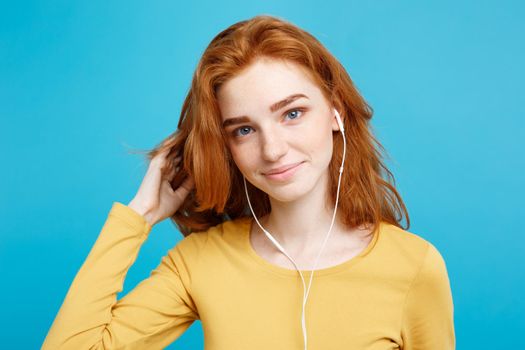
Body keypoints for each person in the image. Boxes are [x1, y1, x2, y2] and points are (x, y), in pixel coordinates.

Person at [42, 14, 455, 350]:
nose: (272, 150)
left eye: (292, 113)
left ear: (336, 112)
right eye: (243, 130)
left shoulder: (413, 267)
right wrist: (139, 217)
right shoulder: (200, 262)